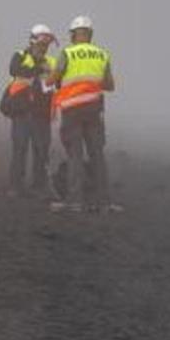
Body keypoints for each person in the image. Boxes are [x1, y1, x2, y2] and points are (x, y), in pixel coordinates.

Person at [47, 15, 120, 213]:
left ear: (73, 34)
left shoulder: (68, 53)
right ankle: (103, 202)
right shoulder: (101, 54)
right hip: (94, 110)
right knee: (97, 155)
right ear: (90, 34)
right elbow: (110, 85)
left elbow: (51, 80)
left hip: (72, 111)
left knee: (75, 155)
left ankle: (75, 201)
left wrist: (53, 77)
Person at [1, 24, 58, 195]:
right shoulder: (20, 56)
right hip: (22, 112)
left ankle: (39, 186)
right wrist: (38, 69)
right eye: (41, 44)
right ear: (32, 41)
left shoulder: (52, 62)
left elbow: (59, 83)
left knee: (41, 151)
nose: (44, 48)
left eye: (46, 45)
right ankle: (15, 186)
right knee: (20, 149)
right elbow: (15, 70)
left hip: (42, 113)